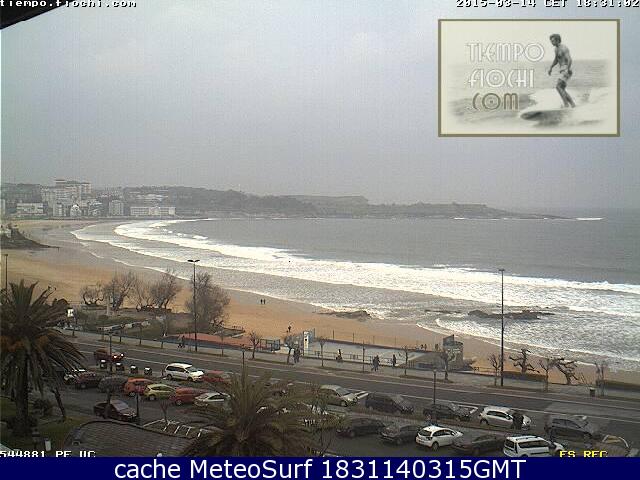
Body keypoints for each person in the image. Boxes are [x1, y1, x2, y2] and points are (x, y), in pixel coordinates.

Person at [548, 33, 576, 108]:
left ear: (558, 40)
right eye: (551, 41)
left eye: (553, 41)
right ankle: (573, 105)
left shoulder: (564, 48)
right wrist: (551, 67)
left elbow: (569, 59)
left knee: (558, 87)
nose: (551, 42)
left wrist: (567, 69)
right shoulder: (556, 49)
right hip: (562, 70)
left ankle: (566, 105)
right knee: (562, 88)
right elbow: (556, 59)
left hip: (566, 68)